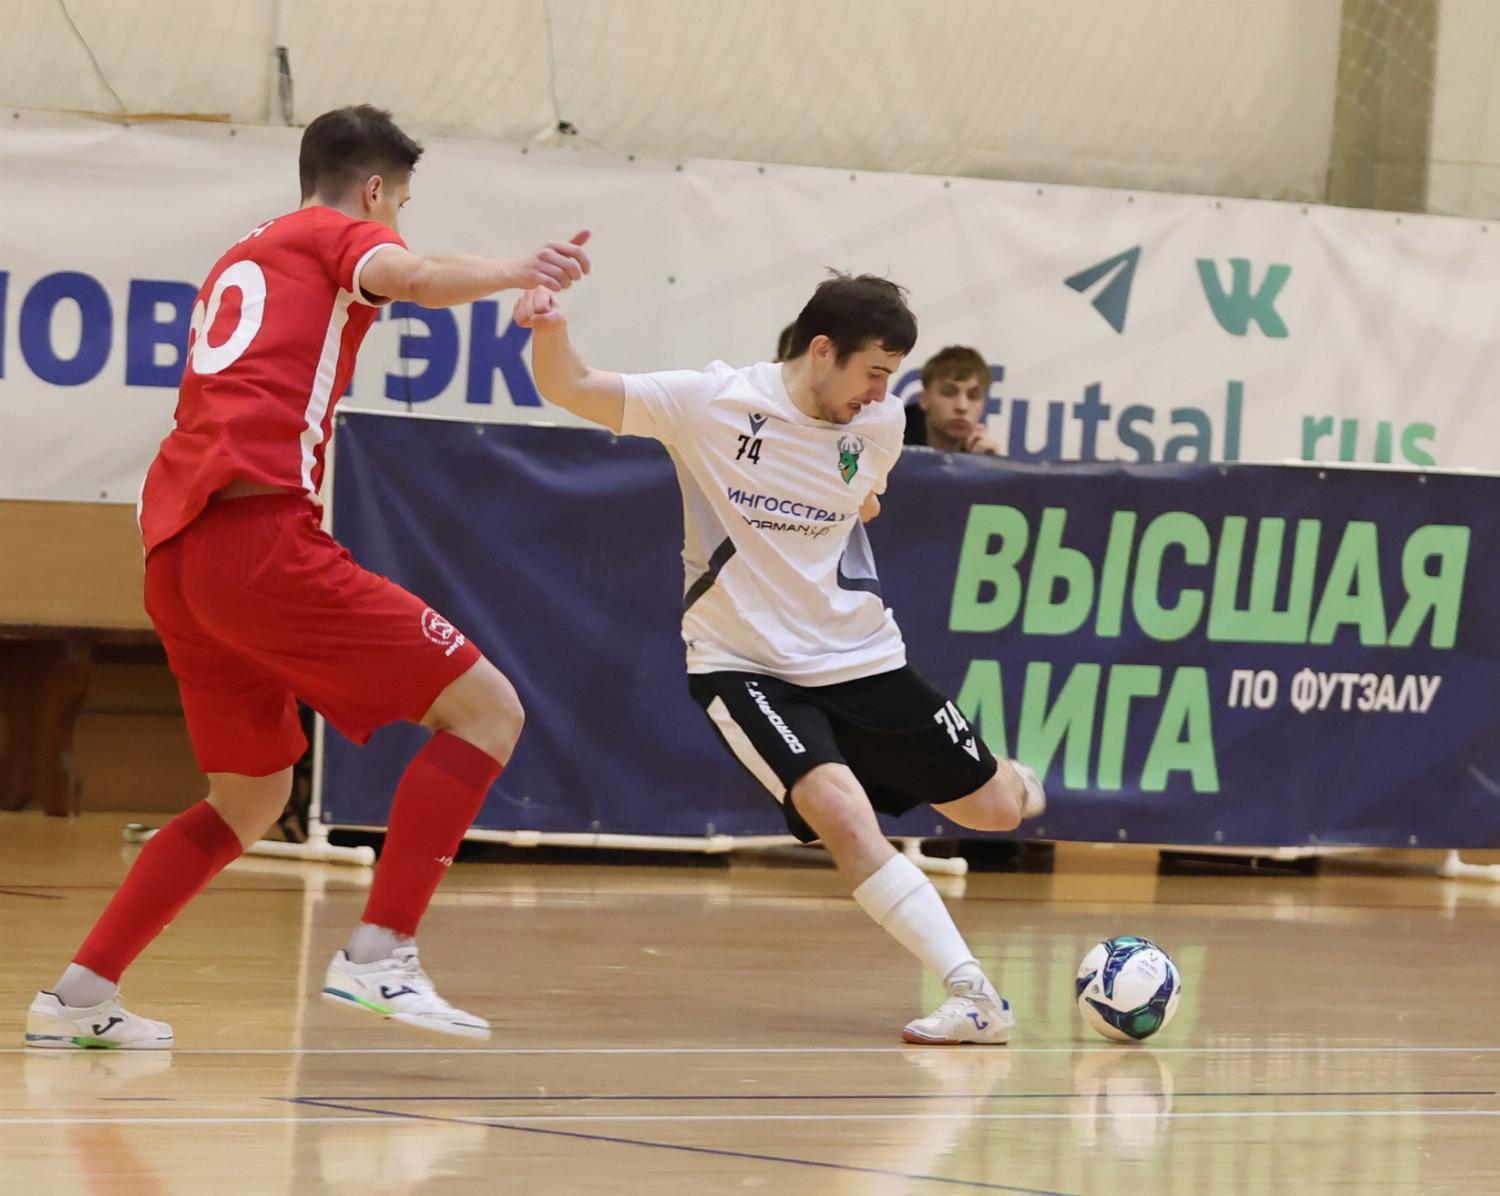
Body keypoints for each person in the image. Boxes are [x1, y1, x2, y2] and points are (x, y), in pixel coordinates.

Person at [24, 105, 592, 1050]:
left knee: (249, 797)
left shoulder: (247, 251)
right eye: (398, 205)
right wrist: (514, 269)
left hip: (179, 556)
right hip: (258, 543)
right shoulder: (338, 235)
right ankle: (380, 953)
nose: (397, 226)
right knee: (489, 712)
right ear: (373, 191)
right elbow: (415, 277)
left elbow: (404, 273)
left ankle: (81, 993)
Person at [516, 272, 1044, 1045]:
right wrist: (549, 328)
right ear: (822, 350)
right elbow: (569, 385)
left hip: (861, 654)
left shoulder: (880, 423)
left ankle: (1014, 777)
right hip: (743, 663)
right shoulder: (711, 402)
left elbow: (862, 499)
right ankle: (974, 995)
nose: (882, 393)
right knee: (840, 812)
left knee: (994, 810)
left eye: (892, 376)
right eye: (873, 372)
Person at [904, 345, 1001, 454]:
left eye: (973, 396)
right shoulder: (892, 437)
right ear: (924, 399)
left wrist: (988, 461)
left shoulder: (979, 451)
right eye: (949, 393)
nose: (962, 407)